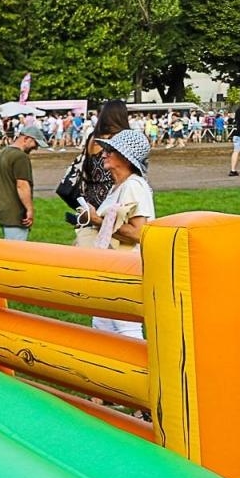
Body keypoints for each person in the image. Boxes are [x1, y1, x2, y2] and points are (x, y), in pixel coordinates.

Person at [75, 129, 154, 338]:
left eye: (111, 150)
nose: (103, 154)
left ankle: (135, 368)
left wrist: (96, 220)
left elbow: (139, 233)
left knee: (124, 325)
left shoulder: (133, 186)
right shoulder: (119, 187)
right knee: (102, 322)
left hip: (126, 269)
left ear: (126, 158)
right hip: (112, 267)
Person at [71, 99, 129, 240]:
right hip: (111, 193)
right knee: (115, 239)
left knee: (93, 239)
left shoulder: (93, 137)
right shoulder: (117, 139)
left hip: (91, 194)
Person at [0, 124, 48, 240]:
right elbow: (22, 186)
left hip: (0, 209)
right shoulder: (21, 157)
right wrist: (29, 209)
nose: (36, 148)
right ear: (26, 139)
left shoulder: (3, 153)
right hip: (14, 213)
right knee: (15, 252)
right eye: (35, 143)